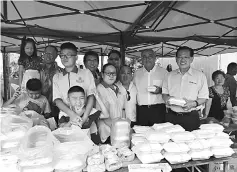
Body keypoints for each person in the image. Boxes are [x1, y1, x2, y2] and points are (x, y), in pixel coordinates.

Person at [162, 46, 209, 131]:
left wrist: (193, 103)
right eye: (180, 57)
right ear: (176, 59)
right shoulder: (169, 75)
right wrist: (166, 99)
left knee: (191, 142)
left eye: (186, 57)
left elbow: (204, 97)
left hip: (190, 117)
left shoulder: (200, 76)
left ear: (191, 59)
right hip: (171, 116)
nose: (182, 60)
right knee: (170, 142)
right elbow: (164, 93)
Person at [53, 42, 96, 130]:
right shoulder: (57, 77)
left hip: (85, 115)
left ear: (76, 57)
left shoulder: (86, 73)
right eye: (62, 55)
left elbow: (91, 96)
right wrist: (72, 115)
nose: (65, 58)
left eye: (68, 55)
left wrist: (84, 118)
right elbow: (57, 100)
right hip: (65, 117)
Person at [133, 49, 168, 126]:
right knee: (142, 134)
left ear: (155, 58)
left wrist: (160, 90)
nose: (147, 59)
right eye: (144, 57)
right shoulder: (137, 73)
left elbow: (170, 91)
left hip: (158, 110)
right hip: (141, 111)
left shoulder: (164, 72)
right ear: (141, 59)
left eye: (150, 56)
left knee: (158, 135)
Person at [96, 63, 124, 143]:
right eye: (108, 73)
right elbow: (100, 114)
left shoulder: (116, 88)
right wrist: (115, 127)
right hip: (107, 130)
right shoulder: (99, 89)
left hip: (117, 128)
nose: (111, 76)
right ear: (102, 74)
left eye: (113, 73)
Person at [40, 45, 62, 123]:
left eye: (51, 54)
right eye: (46, 53)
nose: (48, 56)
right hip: (39, 105)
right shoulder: (38, 69)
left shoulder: (60, 71)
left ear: (56, 56)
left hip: (55, 106)